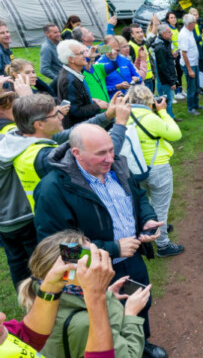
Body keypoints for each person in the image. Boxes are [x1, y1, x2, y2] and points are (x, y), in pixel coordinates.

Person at [33, 123, 169, 358]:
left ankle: (141, 345)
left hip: (132, 259)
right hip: (91, 273)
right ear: (77, 154)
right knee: (105, 317)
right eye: (101, 154)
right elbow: (57, 252)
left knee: (138, 304)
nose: (109, 158)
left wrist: (146, 218)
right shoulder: (53, 189)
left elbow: (139, 195)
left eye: (111, 150)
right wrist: (114, 249)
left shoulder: (118, 166)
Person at [0, 93, 126, 289]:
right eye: (55, 114)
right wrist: (120, 124)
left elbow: (70, 135)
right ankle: (69, 297)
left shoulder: (17, 140)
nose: (61, 116)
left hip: (23, 218)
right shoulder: (43, 157)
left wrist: (106, 116)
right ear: (39, 124)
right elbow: (99, 159)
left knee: (24, 263)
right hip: (44, 220)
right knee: (61, 256)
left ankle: (34, 300)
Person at [18, 230, 148, 357]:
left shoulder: (43, 299)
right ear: (68, 275)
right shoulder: (85, 323)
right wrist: (131, 315)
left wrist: (107, 295)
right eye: (91, 260)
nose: (100, 264)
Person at [0, 243, 117, 357]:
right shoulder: (81, 324)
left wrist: (51, 287)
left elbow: (26, 337)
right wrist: (98, 299)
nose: (2, 317)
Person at [126, 85, 184, 256]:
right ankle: (163, 245)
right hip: (157, 167)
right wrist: (164, 112)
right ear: (149, 100)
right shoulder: (150, 118)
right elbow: (175, 134)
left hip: (136, 169)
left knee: (147, 202)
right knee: (160, 207)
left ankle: (154, 229)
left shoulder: (124, 116)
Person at [56, 40, 111, 128]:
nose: (86, 55)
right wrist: (97, 106)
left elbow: (77, 99)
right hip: (80, 129)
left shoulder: (73, 72)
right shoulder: (70, 80)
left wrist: (90, 99)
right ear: (71, 59)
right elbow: (76, 110)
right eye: (82, 53)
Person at [152, 24, 179, 120]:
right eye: (169, 32)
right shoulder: (160, 47)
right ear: (163, 34)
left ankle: (169, 116)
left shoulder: (166, 43)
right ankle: (169, 118)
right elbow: (163, 67)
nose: (171, 34)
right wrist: (171, 81)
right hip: (166, 79)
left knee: (167, 99)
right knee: (168, 100)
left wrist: (171, 56)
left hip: (167, 77)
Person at [179, 14, 203, 115]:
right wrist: (189, 69)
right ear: (189, 23)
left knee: (196, 85)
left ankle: (196, 104)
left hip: (194, 63)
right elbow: (184, 53)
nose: (195, 23)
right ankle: (191, 108)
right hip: (189, 65)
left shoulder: (190, 31)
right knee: (191, 87)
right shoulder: (184, 34)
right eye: (194, 22)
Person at [128, 23, 155, 93]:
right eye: (137, 32)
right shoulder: (130, 46)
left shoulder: (144, 43)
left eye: (141, 32)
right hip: (141, 80)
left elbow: (149, 60)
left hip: (150, 78)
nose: (140, 34)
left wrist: (153, 73)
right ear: (132, 34)